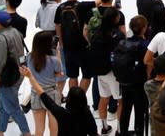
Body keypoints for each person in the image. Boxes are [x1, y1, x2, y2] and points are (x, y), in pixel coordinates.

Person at [21, 65, 98, 136]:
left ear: (68, 100)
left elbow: (43, 95)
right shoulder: (87, 114)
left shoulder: (61, 113)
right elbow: (94, 133)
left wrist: (30, 76)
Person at [0, 10, 33, 136]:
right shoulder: (16, 32)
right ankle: (0, 132)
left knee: (13, 108)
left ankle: (27, 134)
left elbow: (0, 62)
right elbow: (21, 54)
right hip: (18, 73)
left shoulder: (1, 39)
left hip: (7, 77)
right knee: (5, 105)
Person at [87, 7, 125, 135]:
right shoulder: (117, 35)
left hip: (100, 72)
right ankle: (119, 130)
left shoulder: (97, 33)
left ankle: (104, 127)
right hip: (114, 73)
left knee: (103, 99)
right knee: (121, 101)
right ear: (115, 18)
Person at [27, 30, 64, 136]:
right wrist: (58, 53)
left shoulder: (30, 57)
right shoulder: (54, 60)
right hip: (52, 95)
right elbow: (59, 74)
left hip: (36, 94)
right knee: (54, 128)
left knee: (39, 129)